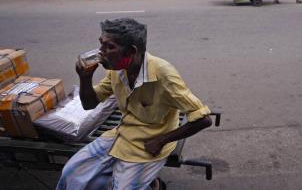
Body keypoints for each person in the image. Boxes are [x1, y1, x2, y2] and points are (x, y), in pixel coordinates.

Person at [56, 18, 212, 190]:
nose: (101, 52)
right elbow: (89, 104)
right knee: (70, 174)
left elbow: (203, 119)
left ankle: (154, 185)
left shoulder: (164, 74)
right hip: (122, 133)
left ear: (131, 51)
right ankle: (149, 183)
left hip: (151, 140)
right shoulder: (117, 70)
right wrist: (84, 78)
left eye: (110, 47)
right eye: (101, 44)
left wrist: (161, 140)